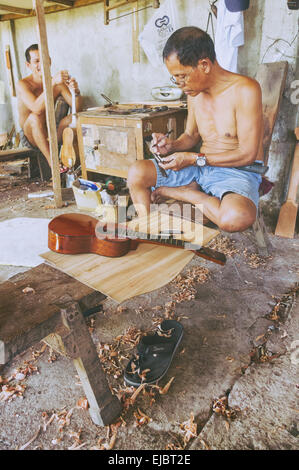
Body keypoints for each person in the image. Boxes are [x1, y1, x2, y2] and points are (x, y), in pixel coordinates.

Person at [127, 27, 264, 232]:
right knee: (137, 173)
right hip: (199, 168)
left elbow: (247, 154)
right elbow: (190, 136)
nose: (180, 85)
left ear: (204, 65)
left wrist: (193, 160)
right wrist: (170, 145)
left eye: (183, 76)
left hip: (237, 171)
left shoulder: (245, 90)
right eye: (175, 78)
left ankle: (186, 193)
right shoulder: (194, 93)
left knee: (234, 218)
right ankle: (149, 230)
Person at [17, 43, 82, 169]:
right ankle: (54, 165)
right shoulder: (23, 84)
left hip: (51, 133)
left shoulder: (57, 83)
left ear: (50, 61)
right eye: (36, 61)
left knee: (75, 117)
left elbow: (77, 108)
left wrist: (76, 92)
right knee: (35, 117)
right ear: (28, 65)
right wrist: (51, 83)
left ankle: (78, 162)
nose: (41, 64)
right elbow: (36, 108)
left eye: (44, 59)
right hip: (31, 136)